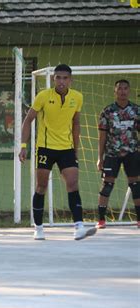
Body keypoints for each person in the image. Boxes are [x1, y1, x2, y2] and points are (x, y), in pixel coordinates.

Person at [19, 64, 97, 241]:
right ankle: (38, 228)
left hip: (67, 148)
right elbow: (28, 120)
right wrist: (23, 146)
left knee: (73, 183)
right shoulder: (43, 96)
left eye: (65, 78)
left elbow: (76, 123)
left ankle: (79, 226)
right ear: (54, 79)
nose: (61, 81)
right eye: (58, 78)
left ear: (71, 79)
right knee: (41, 186)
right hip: (45, 147)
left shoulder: (77, 97)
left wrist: (75, 149)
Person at [96, 79, 139, 229]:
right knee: (107, 185)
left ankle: (139, 219)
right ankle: (101, 219)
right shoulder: (107, 111)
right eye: (119, 88)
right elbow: (102, 137)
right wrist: (99, 158)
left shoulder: (136, 110)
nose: (122, 91)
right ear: (115, 91)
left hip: (132, 152)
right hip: (112, 153)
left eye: (125, 88)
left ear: (129, 90)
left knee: (135, 184)